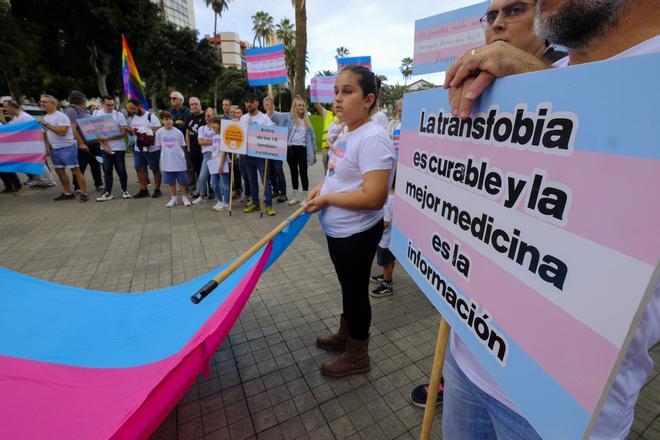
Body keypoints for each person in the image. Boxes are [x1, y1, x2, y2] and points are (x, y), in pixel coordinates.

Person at [439, 0, 660, 439]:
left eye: (514, 9)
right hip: (465, 364)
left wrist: (548, 93)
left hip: (555, 411)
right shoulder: (512, 77)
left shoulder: (531, 76)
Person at [305, 65, 396, 377]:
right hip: (339, 231)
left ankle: (358, 354)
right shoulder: (348, 130)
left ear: (369, 99)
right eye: (336, 92)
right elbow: (339, 173)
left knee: (356, 291)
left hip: (356, 233)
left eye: (348, 91)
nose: (338, 100)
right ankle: (346, 334)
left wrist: (328, 199)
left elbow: (374, 197)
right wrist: (323, 187)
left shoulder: (373, 138)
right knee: (349, 287)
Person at [38, 94, 89, 202]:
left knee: (75, 171)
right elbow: (46, 134)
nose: (42, 104)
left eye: (45, 102)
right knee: (60, 171)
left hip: (67, 147)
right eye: (41, 102)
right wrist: (47, 147)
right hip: (54, 149)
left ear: (53, 103)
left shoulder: (61, 116)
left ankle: (84, 193)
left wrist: (46, 124)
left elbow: (62, 132)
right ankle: (67, 192)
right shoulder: (45, 117)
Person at [1, 100, 56, 191]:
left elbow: (39, 130)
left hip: (32, 145)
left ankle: (49, 182)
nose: (5, 109)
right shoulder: (15, 118)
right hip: (26, 146)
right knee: (31, 164)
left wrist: (45, 146)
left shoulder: (25, 117)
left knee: (38, 163)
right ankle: (40, 181)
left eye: (6, 107)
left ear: (12, 107)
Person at [239, 93, 276, 216]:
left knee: (265, 180)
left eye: (251, 101)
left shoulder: (264, 118)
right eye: (246, 102)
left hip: (261, 156)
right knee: (251, 180)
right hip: (247, 155)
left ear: (257, 103)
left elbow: (273, 133)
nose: (248, 104)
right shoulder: (243, 118)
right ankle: (255, 203)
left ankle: (268, 205)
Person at [63, 91, 104, 194]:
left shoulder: (83, 110)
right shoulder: (71, 110)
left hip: (93, 143)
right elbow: (73, 128)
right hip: (83, 145)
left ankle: (99, 184)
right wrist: (81, 143)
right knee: (80, 167)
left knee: (96, 165)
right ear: (82, 100)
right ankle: (78, 187)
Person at [94, 96, 130, 202]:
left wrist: (108, 138)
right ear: (102, 104)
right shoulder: (96, 114)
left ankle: (124, 190)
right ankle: (108, 192)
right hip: (103, 148)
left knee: (121, 169)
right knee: (107, 170)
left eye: (112, 105)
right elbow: (95, 132)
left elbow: (123, 133)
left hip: (118, 147)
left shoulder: (119, 115)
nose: (111, 107)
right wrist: (104, 145)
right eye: (108, 105)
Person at [284, 96, 317, 206]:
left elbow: (312, 138)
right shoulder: (289, 119)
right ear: (295, 107)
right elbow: (275, 116)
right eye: (299, 105)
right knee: (294, 173)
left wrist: (314, 152)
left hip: (303, 149)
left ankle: (305, 197)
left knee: (303, 173)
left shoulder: (307, 121)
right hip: (291, 149)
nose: (301, 107)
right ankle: (295, 196)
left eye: (303, 105)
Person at [126, 98, 162, 198]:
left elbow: (157, 132)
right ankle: (143, 190)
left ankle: (157, 189)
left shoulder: (151, 116)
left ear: (139, 106)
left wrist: (143, 132)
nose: (132, 111)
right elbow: (133, 132)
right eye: (130, 110)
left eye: (133, 108)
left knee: (154, 169)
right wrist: (130, 131)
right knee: (139, 168)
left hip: (152, 148)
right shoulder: (133, 117)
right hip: (138, 148)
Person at [155, 111, 191, 208]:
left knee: (182, 181)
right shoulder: (159, 132)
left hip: (179, 161)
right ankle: (173, 198)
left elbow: (183, 145)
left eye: (170, 119)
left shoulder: (178, 132)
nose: (169, 121)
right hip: (167, 161)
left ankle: (184, 197)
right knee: (171, 181)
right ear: (162, 120)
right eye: (166, 119)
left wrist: (182, 157)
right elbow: (159, 146)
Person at [369, 182, 396, 297]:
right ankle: (386, 277)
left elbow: (386, 221)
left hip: (385, 239)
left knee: (385, 262)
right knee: (390, 259)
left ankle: (387, 285)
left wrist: (373, 231)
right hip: (392, 237)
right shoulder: (397, 196)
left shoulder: (388, 198)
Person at [263, 96, 288, 203]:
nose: (269, 107)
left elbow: (283, 130)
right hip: (267, 149)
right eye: (267, 105)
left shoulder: (279, 116)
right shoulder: (263, 118)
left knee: (278, 170)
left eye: (271, 104)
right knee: (270, 171)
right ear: (264, 106)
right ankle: (275, 190)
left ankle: (283, 193)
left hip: (277, 149)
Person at [192, 107, 217, 205]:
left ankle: (222, 197)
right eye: (206, 115)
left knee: (217, 178)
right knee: (202, 177)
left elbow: (220, 141)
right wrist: (214, 141)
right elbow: (200, 142)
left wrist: (208, 142)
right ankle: (202, 196)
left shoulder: (218, 127)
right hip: (206, 155)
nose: (208, 117)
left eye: (210, 115)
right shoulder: (202, 128)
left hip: (216, 154)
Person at [207, 116, 232, 211]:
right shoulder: (214, 136)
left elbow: (224, 152)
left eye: (215, 123)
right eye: (211, 123)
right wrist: (212, 157)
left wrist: (221, 165)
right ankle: (219, 200)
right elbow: (215, 150)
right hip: (214, 163)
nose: (213, 125)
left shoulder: (224, 136)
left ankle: (226, 202)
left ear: (220, 124)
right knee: (213, 183)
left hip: (223, 163)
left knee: (224, 184)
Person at [185, 97, 206, 182]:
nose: (194, 106)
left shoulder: (205, 116)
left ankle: (210, 190)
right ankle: (201, 189)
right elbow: (187, 133)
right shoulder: (189, 117)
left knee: (205, 172)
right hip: (193, 150)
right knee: (198, 171)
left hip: (203, 149)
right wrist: (188, 148)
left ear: (200, 105)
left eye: (196, 104)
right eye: (191, 104)